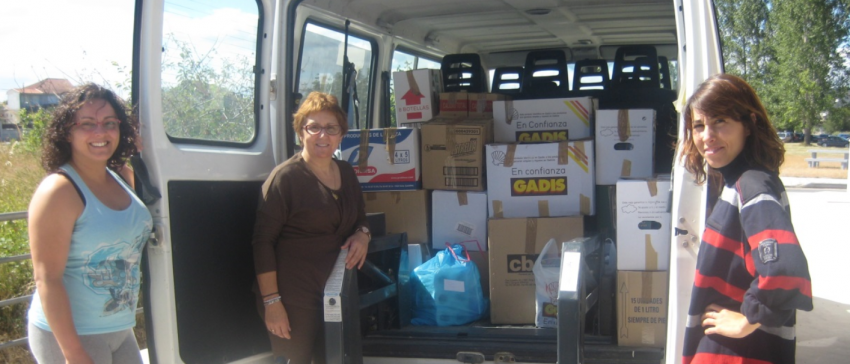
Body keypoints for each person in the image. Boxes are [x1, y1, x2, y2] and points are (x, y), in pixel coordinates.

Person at [680, 74, 813, 364]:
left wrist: (746, 321)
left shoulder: (752, 186)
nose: (706, 136)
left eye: (720, 122)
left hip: (739, 352)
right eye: (699, 126)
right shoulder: (735, 182)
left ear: (749, 125)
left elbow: (785, 271)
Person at [27, 83, 152, 364]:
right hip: (74, 336)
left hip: (119, 329)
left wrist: (140, 152)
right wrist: (73, 354)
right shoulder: (58, 191)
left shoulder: (120, 176)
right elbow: (47, 278)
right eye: (87, 124)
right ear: (67, 132)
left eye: (110, 123)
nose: (100, 132)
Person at [252, 91, 371, 364]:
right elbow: (262, 242)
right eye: (314, 127)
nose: (323, 135)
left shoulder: (347, 173)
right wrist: (273, 303)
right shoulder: (285, 178)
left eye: (331, 128)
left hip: (335, 293)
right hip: (293, 298)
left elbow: (361, 219)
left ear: (341, 135)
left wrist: (362, 235)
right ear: (300, 132)